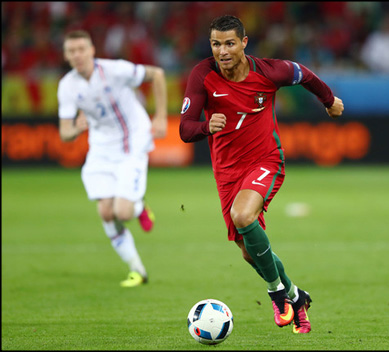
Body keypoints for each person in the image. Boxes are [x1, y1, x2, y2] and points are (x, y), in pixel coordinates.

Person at [179, 15, 343, 333]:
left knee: (243, 216)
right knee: (248, 252)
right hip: (226, 172)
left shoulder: (268, 71)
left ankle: (277, 295)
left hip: (265, 161)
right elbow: (185, 129)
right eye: (216, 44)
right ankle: (297, 296)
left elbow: (304, 74)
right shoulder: (203, 74)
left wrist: (328, 100)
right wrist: (204, 127)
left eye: (229, 43)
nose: (222, 51)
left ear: (244, 43)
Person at [57, 30, 168, 287]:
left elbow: (157, 74)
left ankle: (138, 208)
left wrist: (161, 116)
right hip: (101, 147)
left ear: (92, 50)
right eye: (72, 51)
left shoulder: (115, 70)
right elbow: (65, 133)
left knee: (122, 211)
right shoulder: (67, 86)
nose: (77, 55)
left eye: (81, 49)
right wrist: (77, 128)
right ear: (66, 55)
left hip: (132, 140)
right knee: (106, 212)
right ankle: (137, 270)